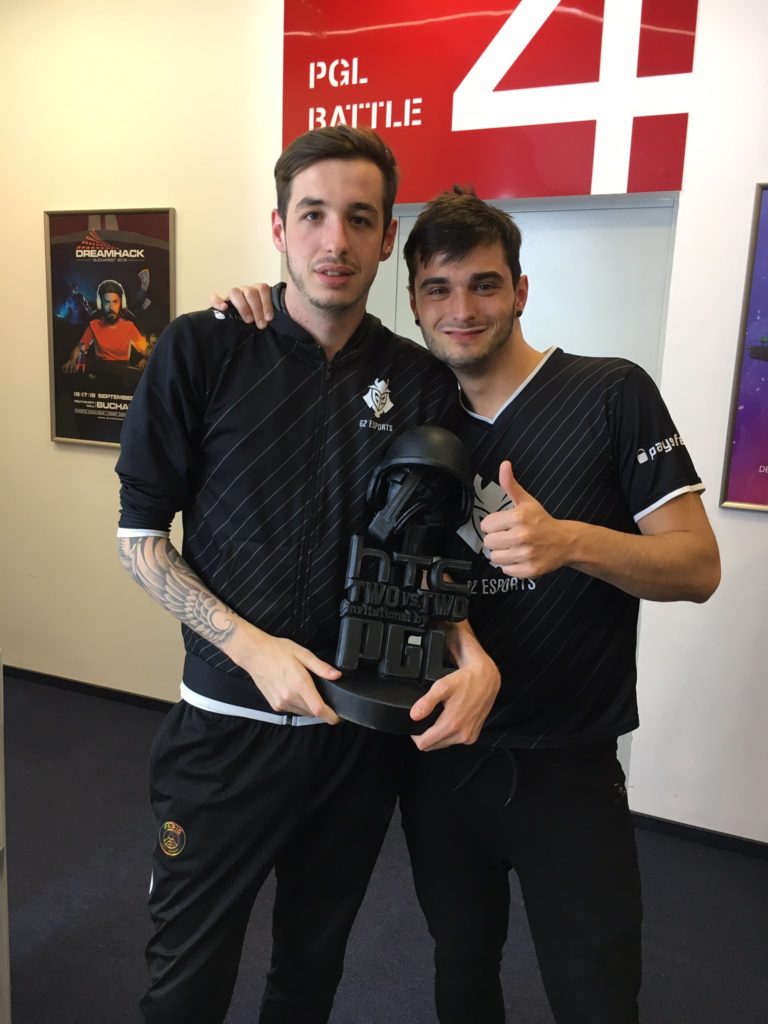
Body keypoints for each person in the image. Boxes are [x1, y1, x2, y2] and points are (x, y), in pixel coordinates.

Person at [218, 186, 720, 1024]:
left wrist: (571, 543)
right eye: (438, 290)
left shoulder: (610, 393)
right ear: (412, 301)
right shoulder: (407, 410)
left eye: (485, 285)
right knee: (460, 969)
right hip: (440, 755)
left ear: (520, 290)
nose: (461, 310)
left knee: (596, 992)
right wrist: (253, 308)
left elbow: (697, 566)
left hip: (568, 758)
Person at [116, 133, 499, 1024]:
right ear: (279, 227)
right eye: (314, 214)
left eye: (359, 219)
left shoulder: (418, 382)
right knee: (183, 988)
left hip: (355, 746)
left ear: (387, 236)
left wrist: (467, 648)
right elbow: (140, 541)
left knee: (309, 978)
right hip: (224, 735)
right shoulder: (202, 350)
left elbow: (427, 550)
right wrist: (254, 651)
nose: (335, 240)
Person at [62, 279, 149, 380]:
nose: (111, 307)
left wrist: (145, 359)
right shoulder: (94, 325)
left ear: (121, 303)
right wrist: (73, 360)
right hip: (100, 373)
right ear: (101, 304)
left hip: (122, 374)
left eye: (115, 302)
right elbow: (80, 346)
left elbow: (145, 350)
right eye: (107, 302)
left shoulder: (129, 327)